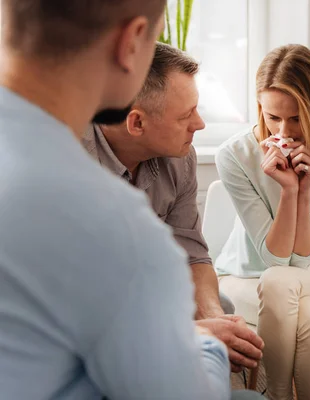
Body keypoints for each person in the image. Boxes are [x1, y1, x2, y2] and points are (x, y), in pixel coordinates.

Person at [0, 1, 262, 399]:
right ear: (131, 42)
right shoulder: (116, 224)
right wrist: (202, 339)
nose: (200, 124)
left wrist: (205, 318)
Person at [83, 42, 263, 373]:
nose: (200, 124)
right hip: (85, 319)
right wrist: (195, 333)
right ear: (136, 124)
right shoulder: (66, 163)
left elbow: (191, 252)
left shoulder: (181, 159)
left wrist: (212, 318)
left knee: (218, 306)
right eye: (186, 115)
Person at [215, 44, 310, 400]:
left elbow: (301, 259)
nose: (283, 130)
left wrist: (304, 190)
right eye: (272, 117)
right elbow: (276, 259)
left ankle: (277, 397)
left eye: (296, 118)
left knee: (285, 283)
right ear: (260, 110)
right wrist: (286, 191)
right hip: (242, 276)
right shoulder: (234, 155)